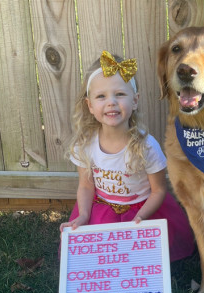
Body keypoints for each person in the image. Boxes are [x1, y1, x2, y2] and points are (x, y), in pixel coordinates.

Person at [60, 51, 194, 262]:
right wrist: (84, 215)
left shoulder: (147, 146)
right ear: (90, 106)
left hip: (143, 209)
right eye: (101, 96)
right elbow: (86, 186)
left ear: (135, 101)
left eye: (120, 94)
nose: (111, 102)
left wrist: (141, 217)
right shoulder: (85, 144)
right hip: (102, 210)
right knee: (101, 260)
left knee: (140, 261)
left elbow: (159, 190)